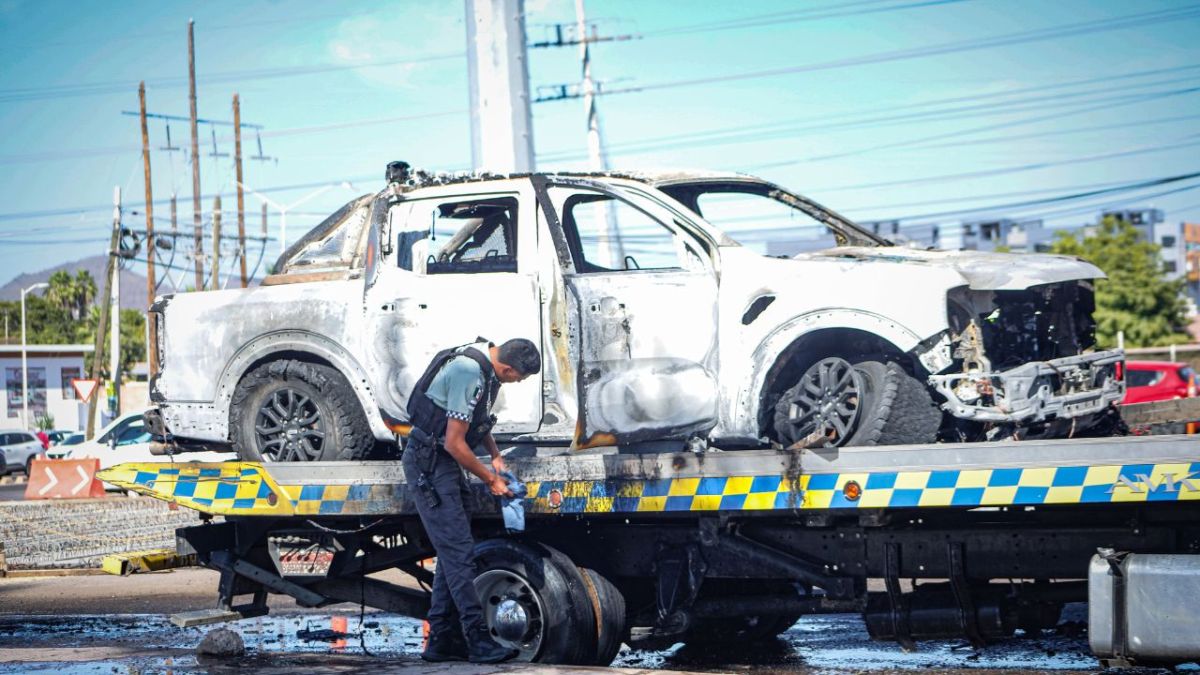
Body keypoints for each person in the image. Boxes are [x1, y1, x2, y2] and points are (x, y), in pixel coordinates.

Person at [402, 337, 541, 664]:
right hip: (430, 463)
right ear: (507, 368)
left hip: (441, 462)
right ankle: (477, 639)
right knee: (459, 553)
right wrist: (490, 479)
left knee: (454, 552)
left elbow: (473, 420)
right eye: (518, 377)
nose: (517, 382)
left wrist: (494, 456)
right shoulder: (469, 372)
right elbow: (454, 442)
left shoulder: (484, 367)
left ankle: (441, 639)